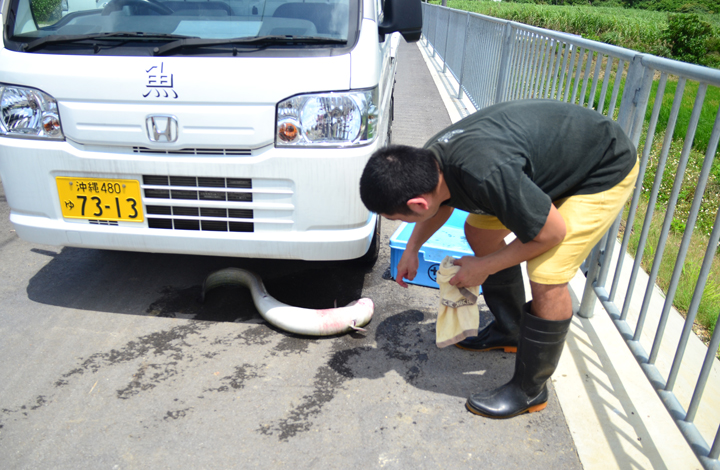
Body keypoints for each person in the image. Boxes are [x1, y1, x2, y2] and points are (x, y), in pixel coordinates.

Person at [359, 99, 638, 419]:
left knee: (546, 272)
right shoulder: (429, 162)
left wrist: (484, 267)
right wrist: (411, 249)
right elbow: (442, 203)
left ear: (418, 204)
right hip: (546, 166)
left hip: (600, 168)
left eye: (397, 217)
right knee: (480, 234)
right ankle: (511, 330)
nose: (399, 221)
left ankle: (530, 390)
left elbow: (551, 233)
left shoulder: (485, 173)